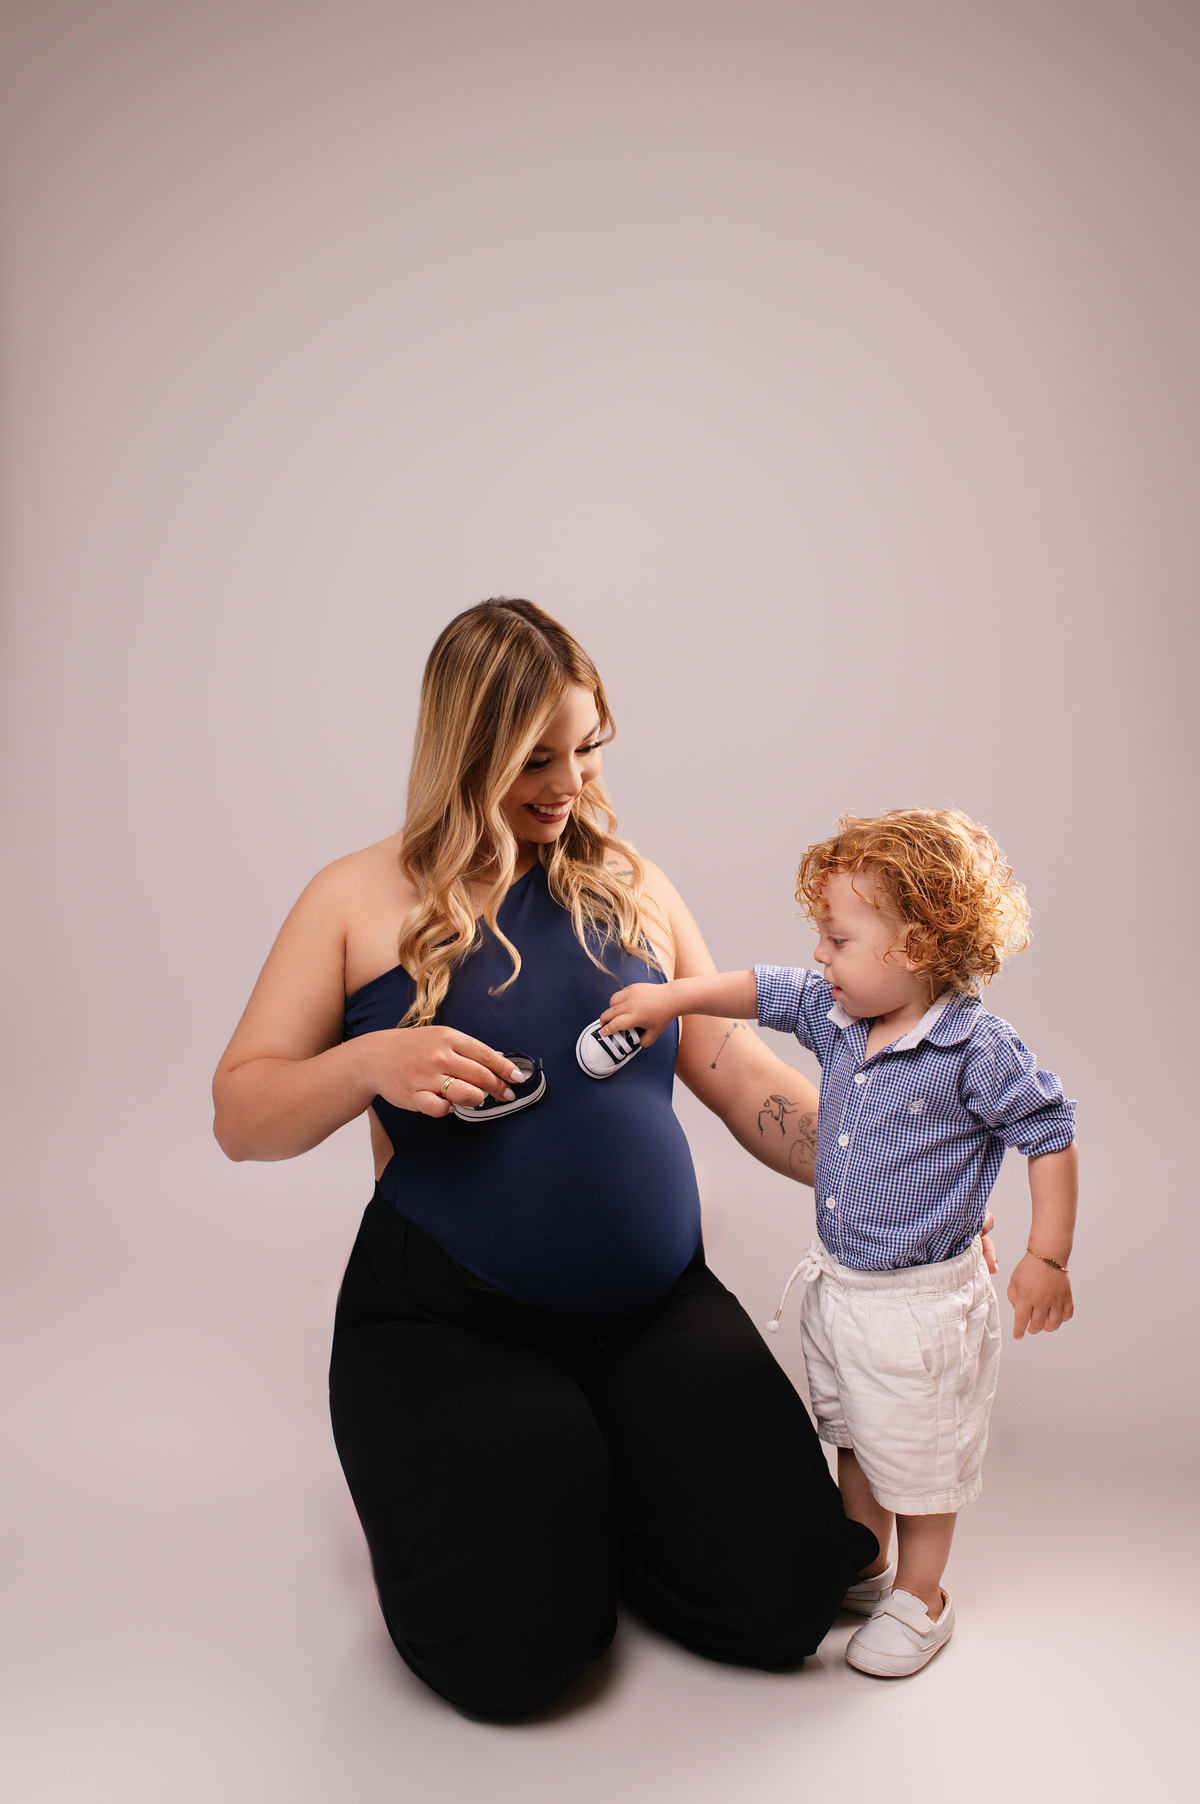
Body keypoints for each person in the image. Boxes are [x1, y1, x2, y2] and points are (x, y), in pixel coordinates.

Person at [212, 598, 877, 1719]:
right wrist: (370, 1061)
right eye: (535, 758)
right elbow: (243, 1113)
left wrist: (897, 1174)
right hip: (447, 1323)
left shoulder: (633, 882)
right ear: (464, 749)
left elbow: (738, 1074)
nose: (568, 783)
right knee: (516, 1660)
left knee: (785, 1602)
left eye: (587, 748)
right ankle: (546, 1478)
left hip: (655, 1308)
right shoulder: (357, 897)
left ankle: (591, 1459)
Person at [601, 807, 1078, 1677]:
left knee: (920, 1451)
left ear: (918, 947)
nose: (820, 956)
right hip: (846, 1288)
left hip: (923, 1304)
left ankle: (924, 1597)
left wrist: (1049, 1254)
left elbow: (1048, 1132)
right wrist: (674, 996)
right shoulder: (840, 1016)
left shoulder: (976, 1048)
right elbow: (761, 988)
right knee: (856, 1430)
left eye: (838, 938)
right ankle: (865, 1556)